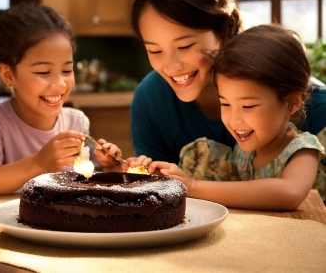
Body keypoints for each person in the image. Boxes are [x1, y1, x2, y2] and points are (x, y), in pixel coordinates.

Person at [129, 0, 326, 167]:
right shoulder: (151, 101)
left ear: (225, 31)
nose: (172, 66)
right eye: (155, 51)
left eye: (185, 46)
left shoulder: (314, 105)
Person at [134, 24, 325, 210]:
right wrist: (166, 176)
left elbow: (288, 193)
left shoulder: (302, 149)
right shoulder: (244, 151)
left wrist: (193, 186)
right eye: (225, 104)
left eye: (248, 106)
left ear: (291, 102)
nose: (234, 120)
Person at [0, 2, 122, 195]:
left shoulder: (76, 121)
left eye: (67, 70)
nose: (59, 84)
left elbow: (89, 183)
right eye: (43, 72)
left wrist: (109, 169)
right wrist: (39, 162)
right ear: (8, 75)